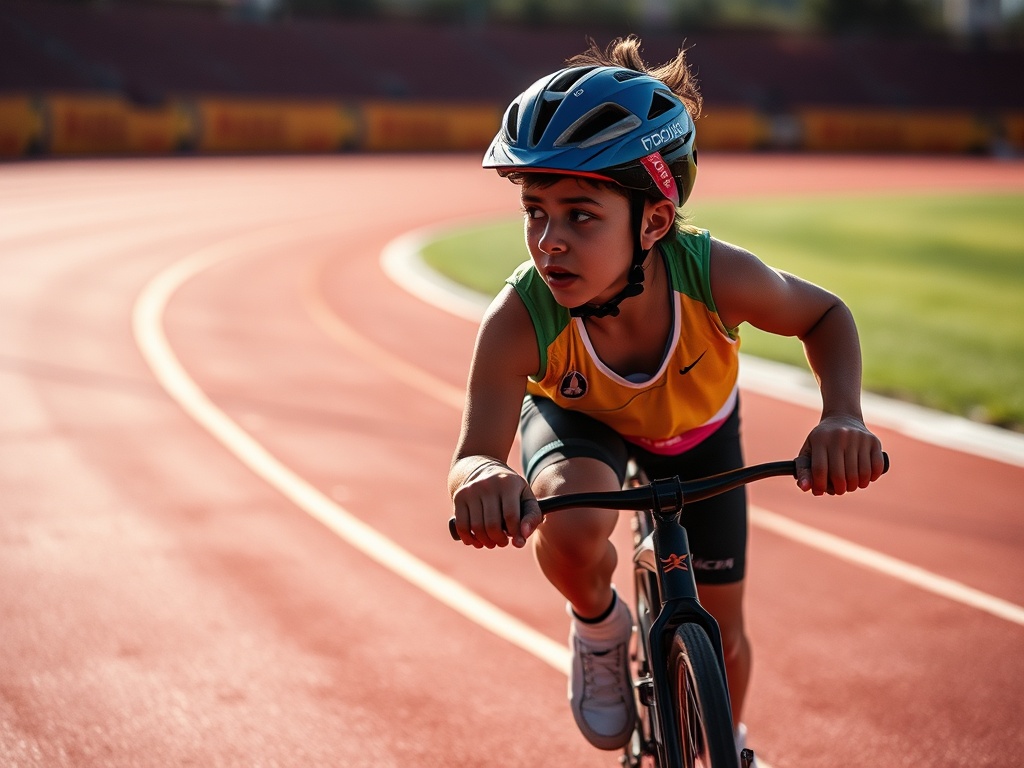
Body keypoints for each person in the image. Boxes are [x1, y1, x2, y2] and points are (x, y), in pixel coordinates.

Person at [447, 35, 885, 759]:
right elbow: (472, 456)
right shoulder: (520, 316)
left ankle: (730, 739)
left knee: (726, 630)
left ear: (653, 219)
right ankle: (596, 626)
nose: (548, 241)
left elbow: (825, 315)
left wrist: (842, 414)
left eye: (580, 215)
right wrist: (486, 477)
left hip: (699, 433)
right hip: (582, 422)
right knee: (576, 514)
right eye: (535, 211)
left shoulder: (714, 276)